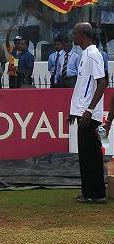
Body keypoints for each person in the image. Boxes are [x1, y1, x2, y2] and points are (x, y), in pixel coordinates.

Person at [68, 22, 107, 204]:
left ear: (83, 35)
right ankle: (88, 192)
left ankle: (96, 193)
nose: (72, 37)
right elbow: (83, 87)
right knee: (85, 155)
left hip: (89, 114)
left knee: (91, 154)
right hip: (83, 112)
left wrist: (89, 110)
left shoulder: (93, 54)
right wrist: (74, 111)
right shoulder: (85, 54)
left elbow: (102, 83)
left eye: (75, 34)